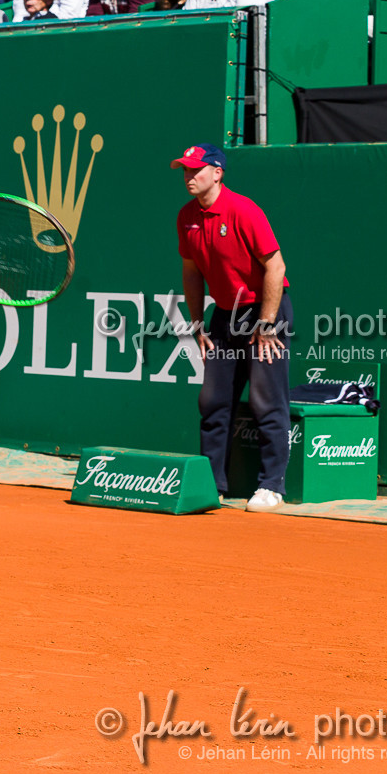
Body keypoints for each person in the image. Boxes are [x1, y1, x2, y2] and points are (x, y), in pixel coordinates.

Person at [173, 143, 292, 513]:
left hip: (265, 310)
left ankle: (271, 486)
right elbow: (192, 273)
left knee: (265, 399)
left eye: (196, 170)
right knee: (213, 400)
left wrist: (267, 325)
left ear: (217, 172)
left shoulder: (244, 210)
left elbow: (276, 267)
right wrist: (197, 323)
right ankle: (211, 484)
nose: (189, 177)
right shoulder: (186, 217)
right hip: (225, 315)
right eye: (185, 171)